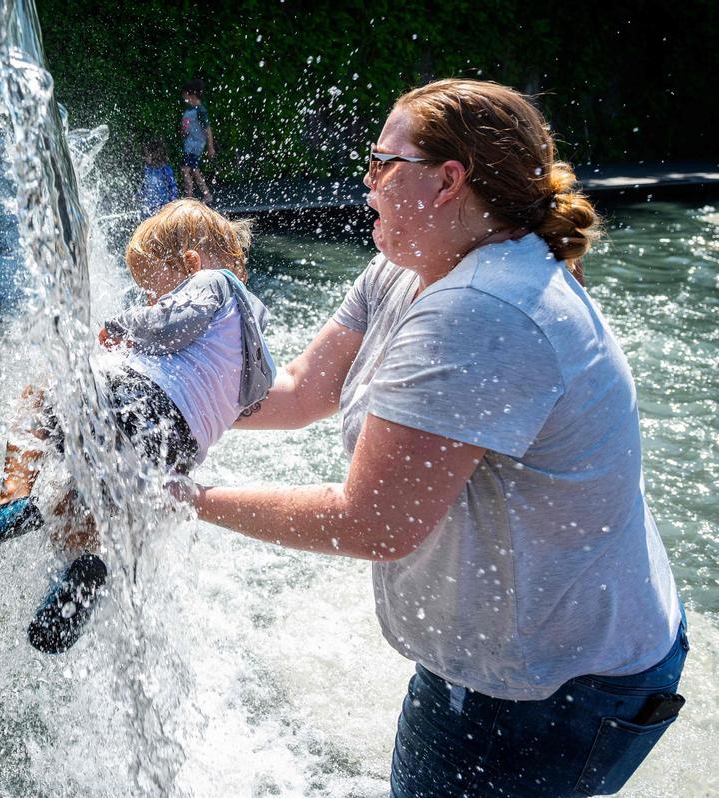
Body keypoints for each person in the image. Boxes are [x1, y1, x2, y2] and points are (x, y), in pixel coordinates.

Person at [181, 78, 686, 797]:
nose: (367, 178)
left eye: (384, 162)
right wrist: (157, 405)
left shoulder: (485, 309)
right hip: (503, 665)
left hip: (558, 691)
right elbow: (300, 389)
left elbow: (372, 521)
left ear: (449, 180)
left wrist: (185, 496)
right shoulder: (406, 264)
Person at [0, 200, 276, 655]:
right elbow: (248, 404)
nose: (149, 300)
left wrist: (120, 327)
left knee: (42, 393)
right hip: (174, 451)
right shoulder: (255, 344)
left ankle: (13, 497)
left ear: (189, 263)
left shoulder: (212, 282)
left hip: (138, 404)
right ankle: (87, 565)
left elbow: (174, 320)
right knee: (86, 502)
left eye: (151, 290)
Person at [179, 78, 215, 205]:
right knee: (194, 170)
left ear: (192, 95)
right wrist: (184, 130)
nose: (184, 98)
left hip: (196, 146)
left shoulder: (200, 111)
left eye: (185, 95)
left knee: (185, 169)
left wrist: (210, 147)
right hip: (189, 145)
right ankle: (206, 194)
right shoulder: (189, 111)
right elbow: (185, 131)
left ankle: (189, 197)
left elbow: (207, 129)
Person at [138, 139, 178, 215]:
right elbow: (144, 187)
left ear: (155, 155)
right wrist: (139, 196)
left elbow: (173, 187)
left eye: (146, 155)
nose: (144, 158)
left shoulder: (165, 170)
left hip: (162, 207)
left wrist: (172, 203)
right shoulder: (147, 169)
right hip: (148, 207)